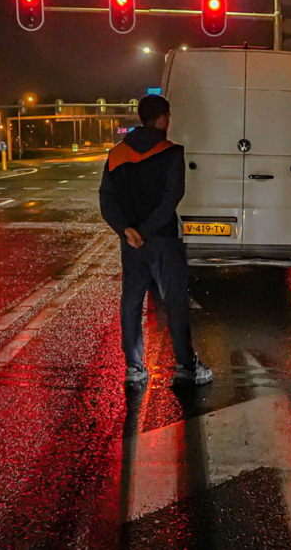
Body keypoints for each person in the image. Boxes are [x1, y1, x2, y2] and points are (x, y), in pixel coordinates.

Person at [99, 95, 213, 386]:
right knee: (175, 302)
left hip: (131, 243)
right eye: (168, 117)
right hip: (163, 240)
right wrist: (147, 230)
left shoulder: (116, 154)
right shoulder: (172, 153)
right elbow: (172, 197)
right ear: (162, 119)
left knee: (131, 302)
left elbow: (107, 199)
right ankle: (186, 366)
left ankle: (134, 368)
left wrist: (127, 230)